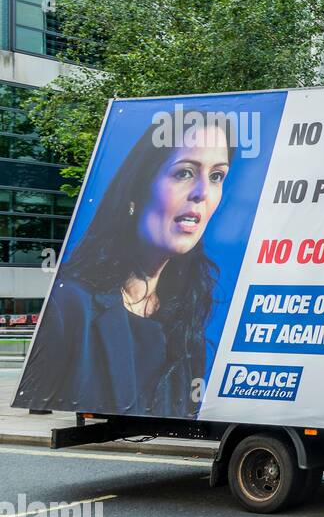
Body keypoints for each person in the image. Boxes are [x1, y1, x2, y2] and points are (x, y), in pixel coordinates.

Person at [14, 117, 232, 418]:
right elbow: (43, 392)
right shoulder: (69, 304)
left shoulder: (186, 317)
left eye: (217, 176)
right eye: (184, 172)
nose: (203, 192)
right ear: (135, 192)